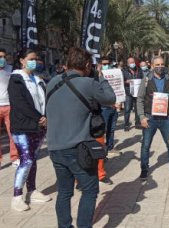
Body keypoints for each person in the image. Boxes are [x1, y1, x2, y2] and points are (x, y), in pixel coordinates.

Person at [46, 47, 116, 228]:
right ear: (87, 65)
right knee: (90, 190)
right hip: (78, 149)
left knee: (64, 192)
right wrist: (100, 76)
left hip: (54, 147)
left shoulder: (52, 82)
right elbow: (110, 98)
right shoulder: (88, 83)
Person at [8, 49, 51, 211]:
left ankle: (32, 190)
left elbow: (45, 99)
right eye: (31, 59)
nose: (35, 61)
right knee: (26, 160)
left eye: (37, 58)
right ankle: (17, 196)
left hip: (39, 126)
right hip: (22, 127)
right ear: (22, 60)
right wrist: (38, 117)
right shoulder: (16, 79)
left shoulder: (38, 79)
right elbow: (20, 103)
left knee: (32, 158)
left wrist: (46, 116)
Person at [137, 56, 169, 180]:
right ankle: (144, 170)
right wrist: (142, 117)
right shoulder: (146, 79)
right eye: (157, 64)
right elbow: (140, 99)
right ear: (152, 65)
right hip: (149, 118)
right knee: (146, 146)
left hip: (166, 119)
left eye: (162, 64)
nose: (160, 67)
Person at [0, 48, 19, 168]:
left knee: (13, 133)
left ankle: (15, 157)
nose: (2, 59)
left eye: (3, 57)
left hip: (9, 105)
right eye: (0, 57)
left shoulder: (11, 69)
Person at [99, 57, 121, 159]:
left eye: (107, 63)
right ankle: (101, 152)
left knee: (111, 129)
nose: (106, 65)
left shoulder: (114, 75)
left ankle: (110, 148)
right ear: (99, 65)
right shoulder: (97, 78)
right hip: (104, 108)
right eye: (104, 64)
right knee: (103, 131)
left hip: (114, 106)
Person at [122, 56, 142, 131]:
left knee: (137, 109)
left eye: (133, 62)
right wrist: (126, 82)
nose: (132, 64)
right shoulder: (124, 71)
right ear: (127, 64)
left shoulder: (139, 70)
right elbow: (121, 81)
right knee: (127, 109)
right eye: (130, 62)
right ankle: (126, 125)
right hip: (128, 93)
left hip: (137, 93)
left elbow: (142, 79)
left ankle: (137, 123)